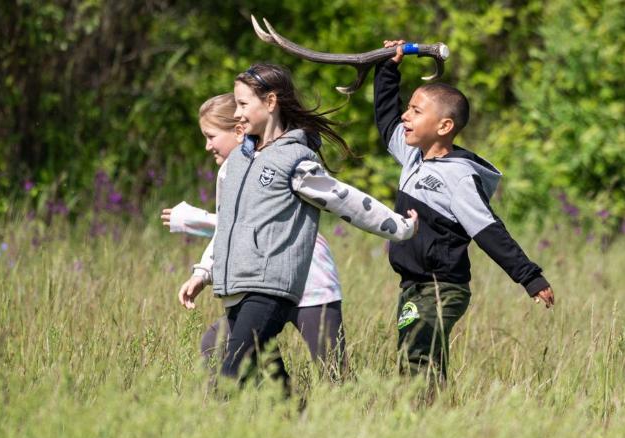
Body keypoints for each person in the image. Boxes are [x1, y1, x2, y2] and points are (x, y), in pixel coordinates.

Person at [177, 63, 418, 388]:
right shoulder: (236, 164)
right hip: (242, 289)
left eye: (243, 104)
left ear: (271, 103)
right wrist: (203, 273)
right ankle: (294, 416)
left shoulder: (295, 162)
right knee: (239, 365)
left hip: (285, 288)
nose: (236, 113)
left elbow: (348, 202)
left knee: (323, 376)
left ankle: (350, 427)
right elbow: (228, 227)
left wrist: (401, 227)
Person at [374, 40, 555, 385]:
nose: (404, 116)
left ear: (444, 126)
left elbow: (489, 231)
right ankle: (439, 420)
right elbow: (385, 119)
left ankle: (420, 422)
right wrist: (388, 68)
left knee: (416, 356)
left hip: (442, 287)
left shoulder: (458, 178)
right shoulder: (414, 156)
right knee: (419, 360)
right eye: (408, 108)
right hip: (413, 285)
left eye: (415, 111)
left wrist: (529, 277)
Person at [162, 93, 347, 373]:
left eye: (211, 136)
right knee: (223, 345)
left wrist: (194, 220)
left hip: (310, 278)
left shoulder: (272, 162)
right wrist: (202, 272)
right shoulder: (230, 170)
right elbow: (230, 231)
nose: (206, 145)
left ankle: (352, 411)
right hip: (264, 283)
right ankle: (286, 411)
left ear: (238, 131)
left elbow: (250, 224)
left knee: (332, 369)